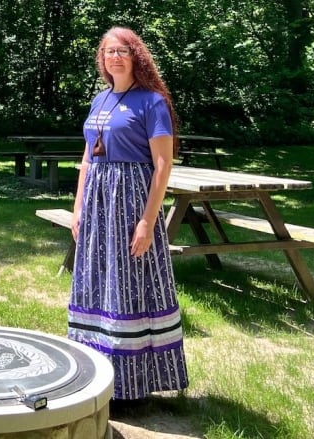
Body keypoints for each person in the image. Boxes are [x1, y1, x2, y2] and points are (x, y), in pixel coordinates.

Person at [68, 26, 189, 402]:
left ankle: (131, 384)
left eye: (123, 50)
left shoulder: (151, 102)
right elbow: (88, 158)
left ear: (136, 56)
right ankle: (94, 377)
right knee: (97, 282)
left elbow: (163, 164)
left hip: (130, 200)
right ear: (102, 59)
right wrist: (78, 208)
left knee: (129, 284)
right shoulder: (99, 100)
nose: (115, 56)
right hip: (98, 202)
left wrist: (148, 221)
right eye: (108, 51)